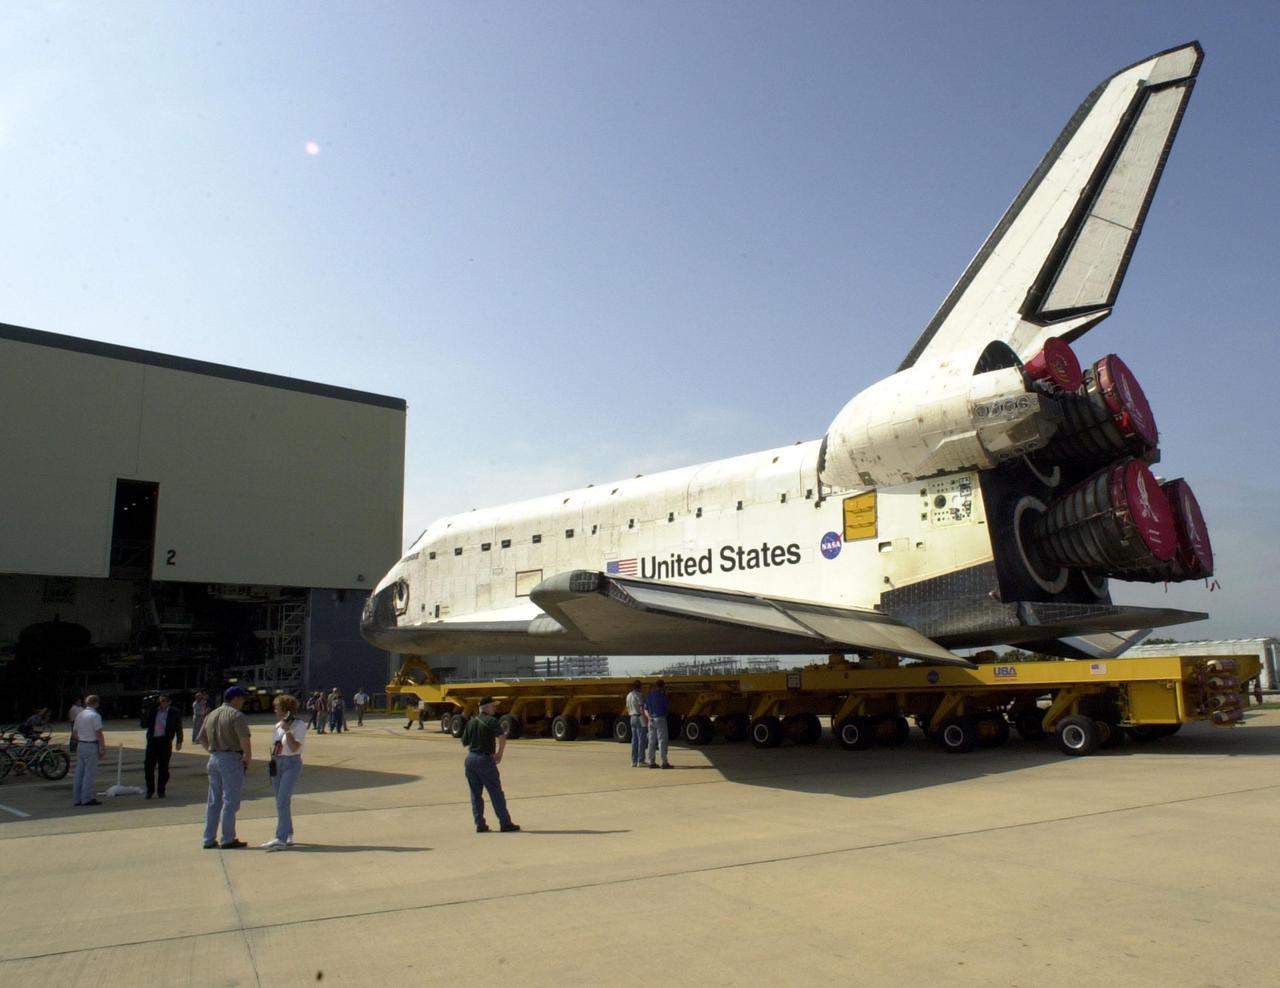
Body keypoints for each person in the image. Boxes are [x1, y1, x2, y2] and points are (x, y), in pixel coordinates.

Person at [195, 686, 253, 849]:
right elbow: (244, 739)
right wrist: (247, 757)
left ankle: (208, 838)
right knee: (230, 801)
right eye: (241, 698)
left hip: (214, 757)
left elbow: (201, 738)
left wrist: (213, 752)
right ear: (235, 698)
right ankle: (228, 837)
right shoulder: (236, 715)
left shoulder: (211, 714)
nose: (242, 701)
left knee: (214, 800)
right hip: (231, 758)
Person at [460, 697, 519, 833]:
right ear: (486, 707)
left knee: (475, 794)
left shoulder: (472, 722)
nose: (495, 708)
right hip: (484, 759)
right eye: (493, 706)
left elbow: (464, 742)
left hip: (470, 759)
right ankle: (505, 823)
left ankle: (480, 824)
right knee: (495, 792)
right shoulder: (492, 721)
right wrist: (499, 753)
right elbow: (502, 737)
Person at [261, 694, 306, 851]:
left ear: (286, 710)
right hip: (278, 762)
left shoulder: (299, 725)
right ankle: (288, 834)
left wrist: (288, 731)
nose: (275, 710)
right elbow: (277, 745)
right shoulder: (278, 725)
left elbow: (294, 748)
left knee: (282, 799)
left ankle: (280, 838)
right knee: (281, 801)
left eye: (277, 708)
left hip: (291, 763)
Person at [142, 694, 184, 799]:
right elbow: (143, 723)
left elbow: (178, 727)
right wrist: (146, 709)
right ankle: (150, 790)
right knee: (148, 766)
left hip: (165, 742)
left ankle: (161, 790)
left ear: (169, 702)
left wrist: (179, 741)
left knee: (163, 768)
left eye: (165, 701)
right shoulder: (153, 710)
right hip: (153, 741)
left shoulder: (174, 712)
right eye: (160, 701)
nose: (162, 703)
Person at [71, 695, 106, 807]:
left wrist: (82, 738)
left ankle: (77, 798)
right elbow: (99, 733)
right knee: (89, 773)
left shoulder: (80, 714)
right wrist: (102, 748)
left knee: (79, 772)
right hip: (91, 744)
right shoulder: (95, 716)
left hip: (81, 744)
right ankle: (86, 798)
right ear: (96, 703)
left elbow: (74, 733)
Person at [644, 680, 672, 769]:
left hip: (651, 719)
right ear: (663, 686)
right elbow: (667, 707)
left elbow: (646, 709)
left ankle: (651, 762)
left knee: (651, 741)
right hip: (660, 718)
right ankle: (664, 762)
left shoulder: (649, 696)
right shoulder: (662, 696)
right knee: (662, 740)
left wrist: (649, 717)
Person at [625, 681, 646, 767]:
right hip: (639, 716)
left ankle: (633, 760)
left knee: (634, 739)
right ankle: (640, 760)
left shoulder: (629, 695)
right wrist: (645, 718)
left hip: (632, 717)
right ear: (639, 687)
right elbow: (641, 707)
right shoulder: (639, 695)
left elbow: (627, 707)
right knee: (641, 739)